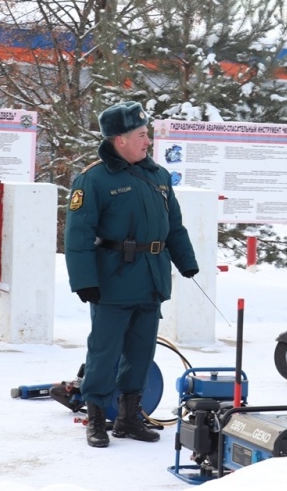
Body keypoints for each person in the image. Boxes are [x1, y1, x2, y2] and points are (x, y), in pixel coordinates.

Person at [64, 101, 199, 448]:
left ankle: (128, 418)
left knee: (140, 351)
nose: (148, 141)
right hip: (113, 278)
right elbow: (78, 234)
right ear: (119, 140)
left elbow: (174, 226)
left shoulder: (158, 176)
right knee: (105, 352)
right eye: (141, 135)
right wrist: (84, 281)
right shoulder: (93, 178)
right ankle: (96, 419)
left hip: (152, 276)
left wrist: (186, 262)